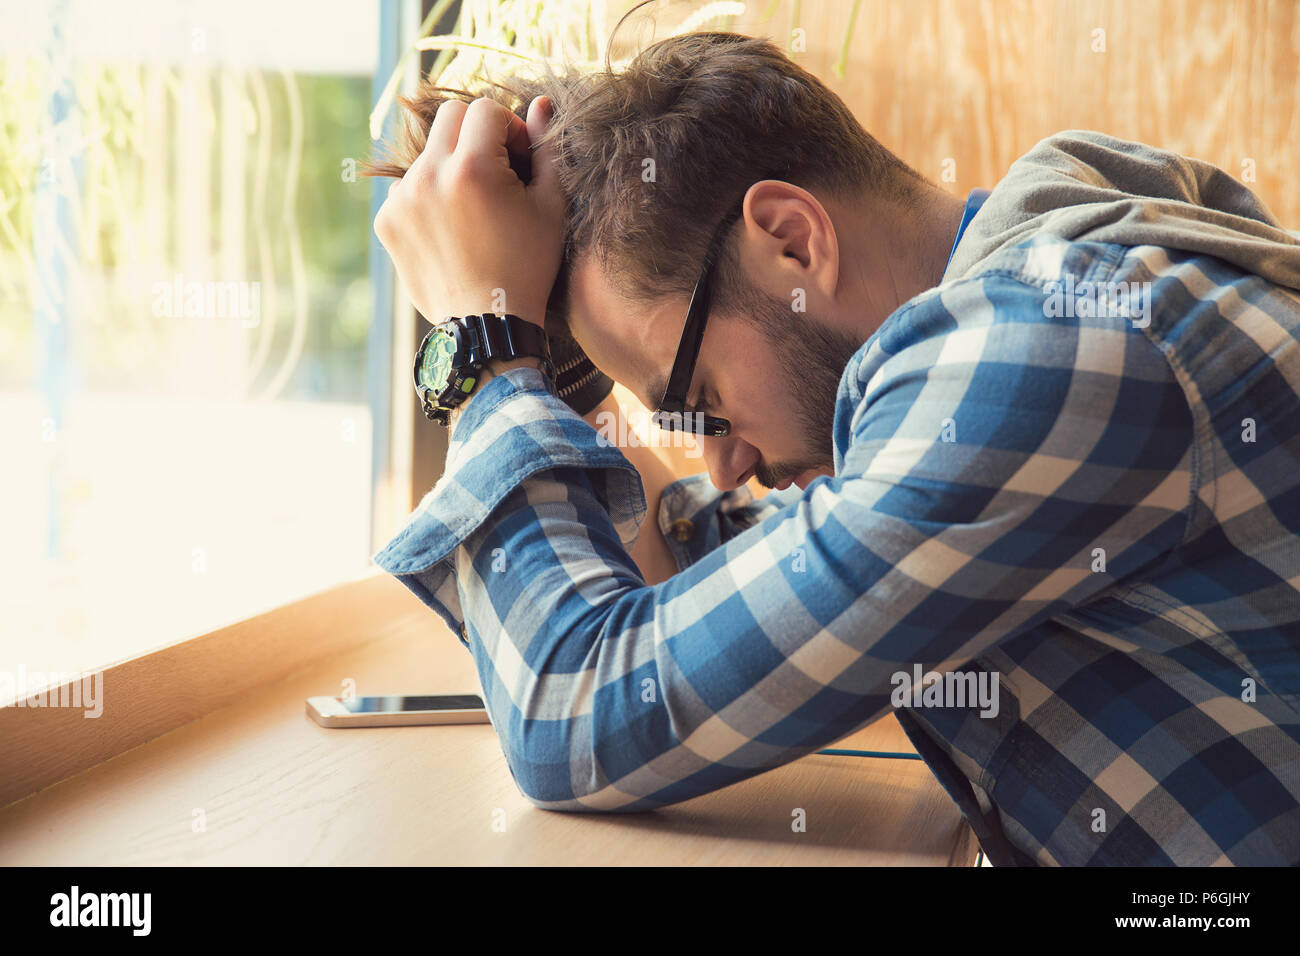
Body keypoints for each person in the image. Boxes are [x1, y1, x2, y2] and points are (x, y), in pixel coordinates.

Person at [367, 31, 1300, 865]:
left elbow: (574, 712)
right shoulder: (1050, 285)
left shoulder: (1049, 346)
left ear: (790, 241)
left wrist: (482, 341)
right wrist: (539, 339)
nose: (720, 465)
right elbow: (677, 561)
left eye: (698, 405)